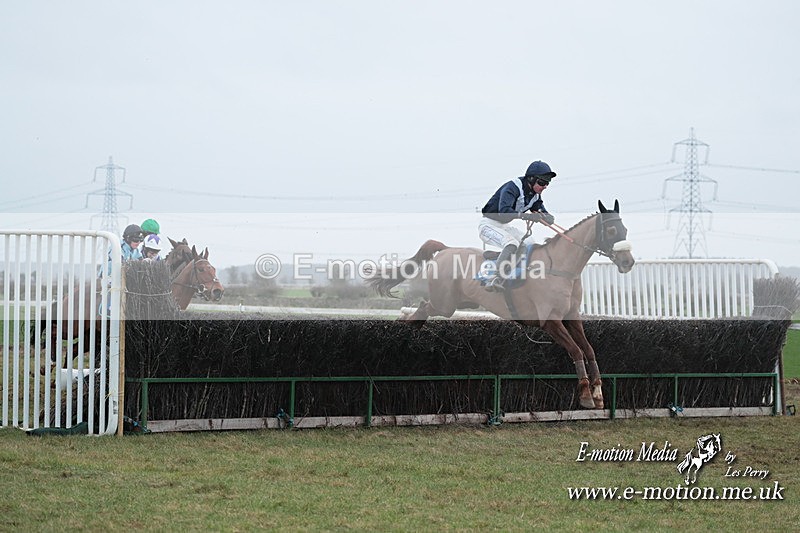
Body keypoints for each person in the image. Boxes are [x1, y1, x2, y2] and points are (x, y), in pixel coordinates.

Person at [478, 160, 557, 291]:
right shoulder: (513, 187)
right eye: (542, 183)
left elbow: (540, 210)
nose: (545, 187)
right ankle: (494, 278)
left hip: (503, 227)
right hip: (488, 225)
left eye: (547, 183)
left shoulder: (535, 196)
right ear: (531, 180)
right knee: (511, 243)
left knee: (529, 242)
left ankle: (514, 267)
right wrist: (527, 216)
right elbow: (504, 212)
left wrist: (548, 217)